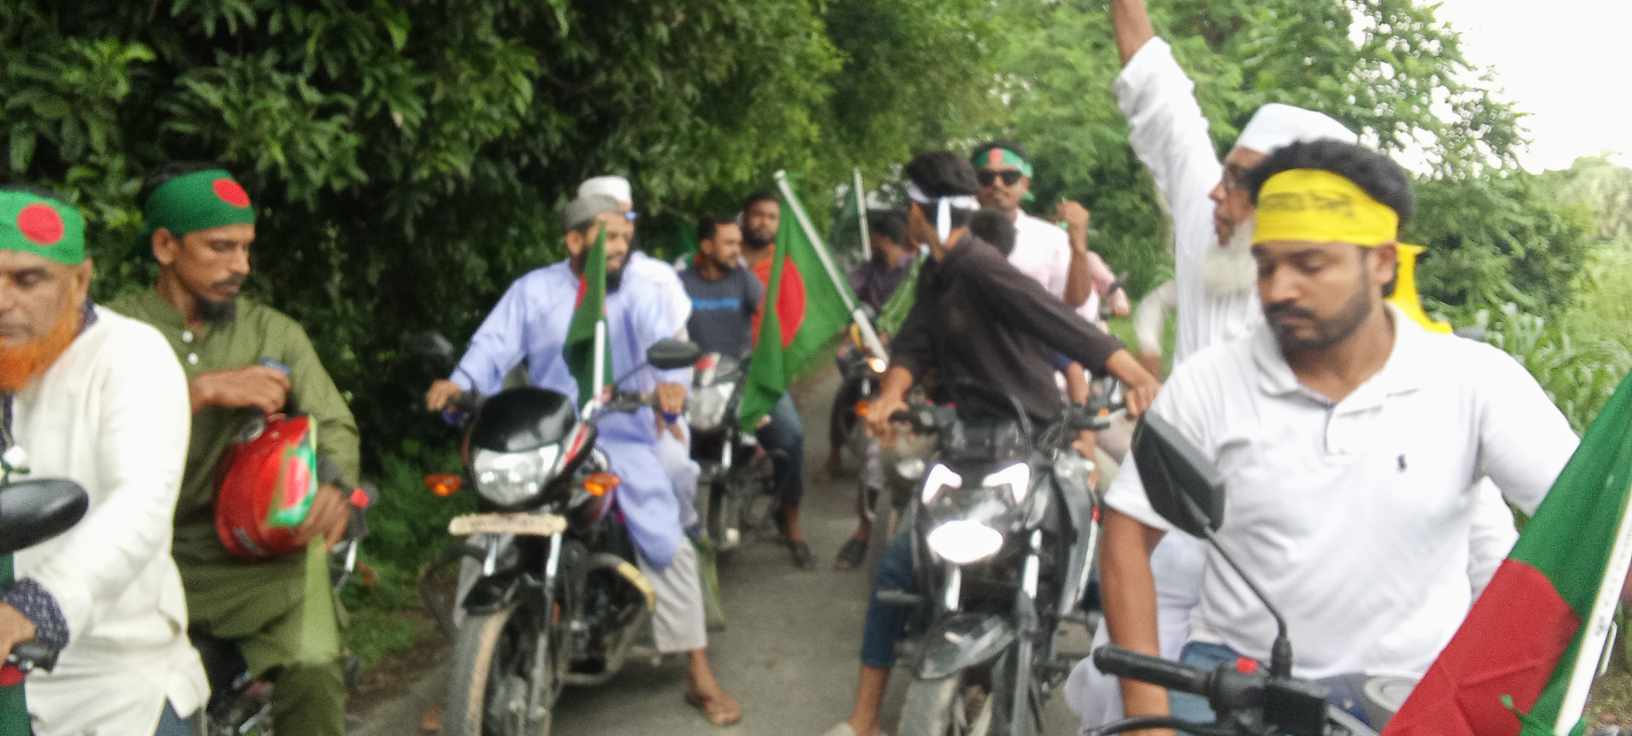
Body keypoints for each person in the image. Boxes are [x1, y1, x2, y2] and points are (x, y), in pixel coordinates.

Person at [1067, 4, 1525, 729]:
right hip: (1186, 552)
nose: (1218, 194)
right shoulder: (1209, 235)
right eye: (1270, 265)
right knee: (1115, 697)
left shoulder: (1424, 358)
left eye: (1309, 261)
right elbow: (1156, 88)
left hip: (1333, 627)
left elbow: (1476, 509)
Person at [1097, 139, 1579, 727]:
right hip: (1237, 682)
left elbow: (1591, 521)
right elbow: (1127, 529)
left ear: (1382, 263)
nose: (1278, 289)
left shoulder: (1474, 381)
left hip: (1407, 694)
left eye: (1310, 265)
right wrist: (1147, 713)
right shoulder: (1210, 382)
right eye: (1267, 265)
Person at [821, 152, 1163, 736]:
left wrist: (1136, 377)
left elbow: (1059, 322)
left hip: (1034, 444)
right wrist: (890, 395)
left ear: (919, 213)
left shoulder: (980, 265)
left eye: (909, 207)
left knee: (1093, 562)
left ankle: (1138, 705)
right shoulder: (936, 272)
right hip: (966, 447)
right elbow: (914, 343)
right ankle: (865, 717)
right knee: (902, 562)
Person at [424, 193, 742, 726]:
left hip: (620, 431)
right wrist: (460, 383)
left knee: (661, 533)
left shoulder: (639, 291)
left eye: (625, 237)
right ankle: (468, 675)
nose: (621, 247)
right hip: (546, 434)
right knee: (490, 533)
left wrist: (670, 385)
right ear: (575, 241)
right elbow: (494, 344)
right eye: (608, 237)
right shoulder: (534, 290)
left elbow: (663, 340)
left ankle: (697, 669)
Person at [108, 164, 360, 735]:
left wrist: (334, 485)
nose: (241, 266)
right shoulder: (115, 332)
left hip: (260, 559)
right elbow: (87, 426)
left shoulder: (273, 333)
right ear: (165, 247)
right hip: (140, 556)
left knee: (315, 663)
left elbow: (332, 423)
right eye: (220, 247)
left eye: (246, 248)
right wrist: (196, 393)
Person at [0, 187, 208, 735]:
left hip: (109, 684)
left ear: (80, 281)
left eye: (28, 280)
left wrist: (32, 609)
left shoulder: (131, 357)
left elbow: (139, 504)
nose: (2, 301)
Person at [830, 210, 915, 570]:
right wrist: (872, 336)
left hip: (944, 384)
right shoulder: (910, 273)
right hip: (893, 360)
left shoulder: (930, 270)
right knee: (875, 451)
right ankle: (864, 531)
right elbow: (887, 318)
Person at [736, 191, 815, 568]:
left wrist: (766, 360)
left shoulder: (783, 268)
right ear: (744, 217)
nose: (764, 222)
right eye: (758, 214)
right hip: (714, 370)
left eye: (772, 217)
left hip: (760, 372)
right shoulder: (724, 258)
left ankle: (792, 520)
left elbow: (791, 320)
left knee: (790, 437)